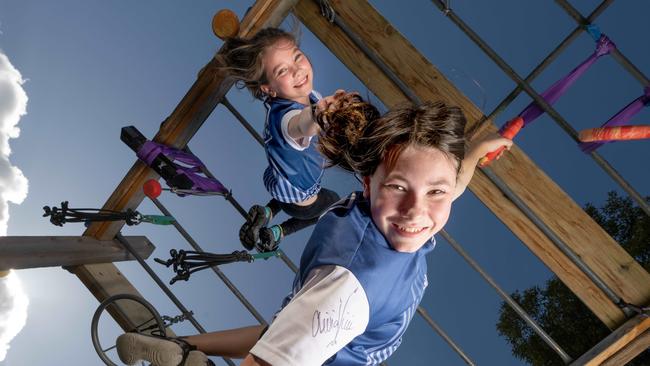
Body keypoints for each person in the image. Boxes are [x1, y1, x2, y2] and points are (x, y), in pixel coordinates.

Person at [115, 98, 512, 365]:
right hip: (332, 339)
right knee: (284, 342)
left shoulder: (395, 219)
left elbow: (452, 185)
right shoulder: (352, 290)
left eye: (436, 192)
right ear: (369, 184)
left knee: (282, 332)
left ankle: (183, 349)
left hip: (331, 325)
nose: (417, 210)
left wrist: (475, 152)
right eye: (398, 188)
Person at [217, 27, 344, 252]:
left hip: (280, 179)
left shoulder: (305, 97)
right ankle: (279, 231)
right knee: (333, 203)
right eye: (282, 70)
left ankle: (268, 212)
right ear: (269, 89)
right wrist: (319, 114)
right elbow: (300, 124)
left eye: (297, 57)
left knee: (292, 187)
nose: (297, 70)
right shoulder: (288, 120)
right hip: (299, 198)